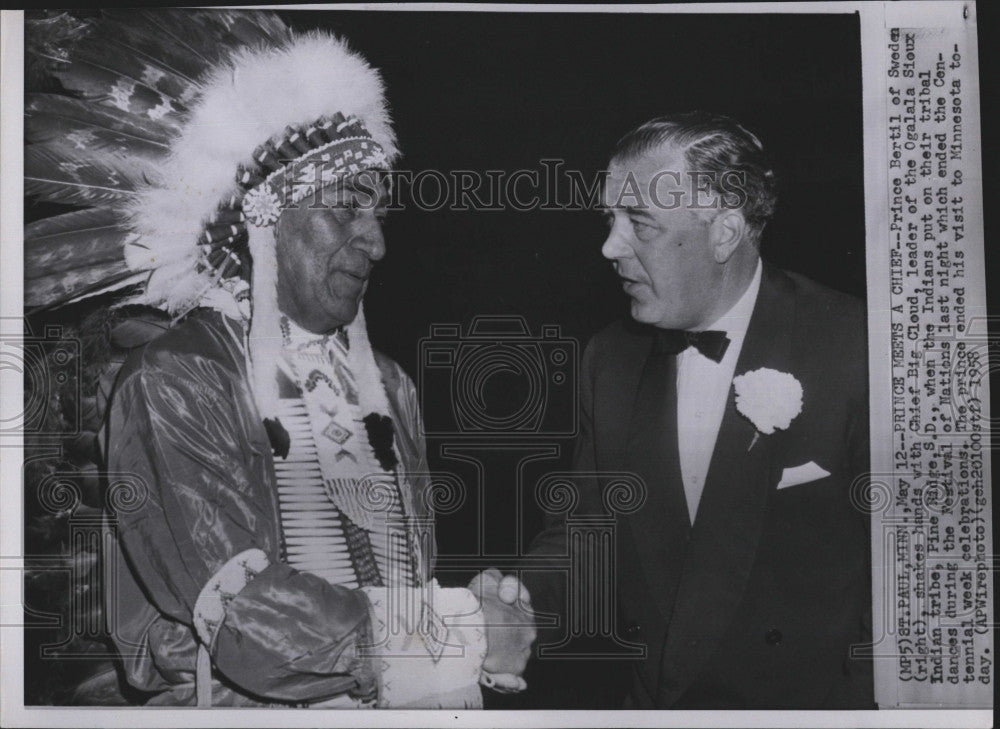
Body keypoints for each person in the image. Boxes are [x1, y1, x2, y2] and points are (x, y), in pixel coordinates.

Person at [24, 10, 533, 708]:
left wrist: (470, 615)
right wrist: (463, 633)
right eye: (345, 210)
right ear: (261, 222)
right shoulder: (178, 380)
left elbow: (403, 583)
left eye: (378, 214)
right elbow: (241, 613)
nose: (376, 242)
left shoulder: (389, 386)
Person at [521, 112, 873, 709]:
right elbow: (587, 540)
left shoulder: (860, 345)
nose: (609, 247)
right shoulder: (608, 361)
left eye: (640, 223)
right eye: (610, 219)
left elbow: (916, 595)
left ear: (725, 232)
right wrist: (515, 605)